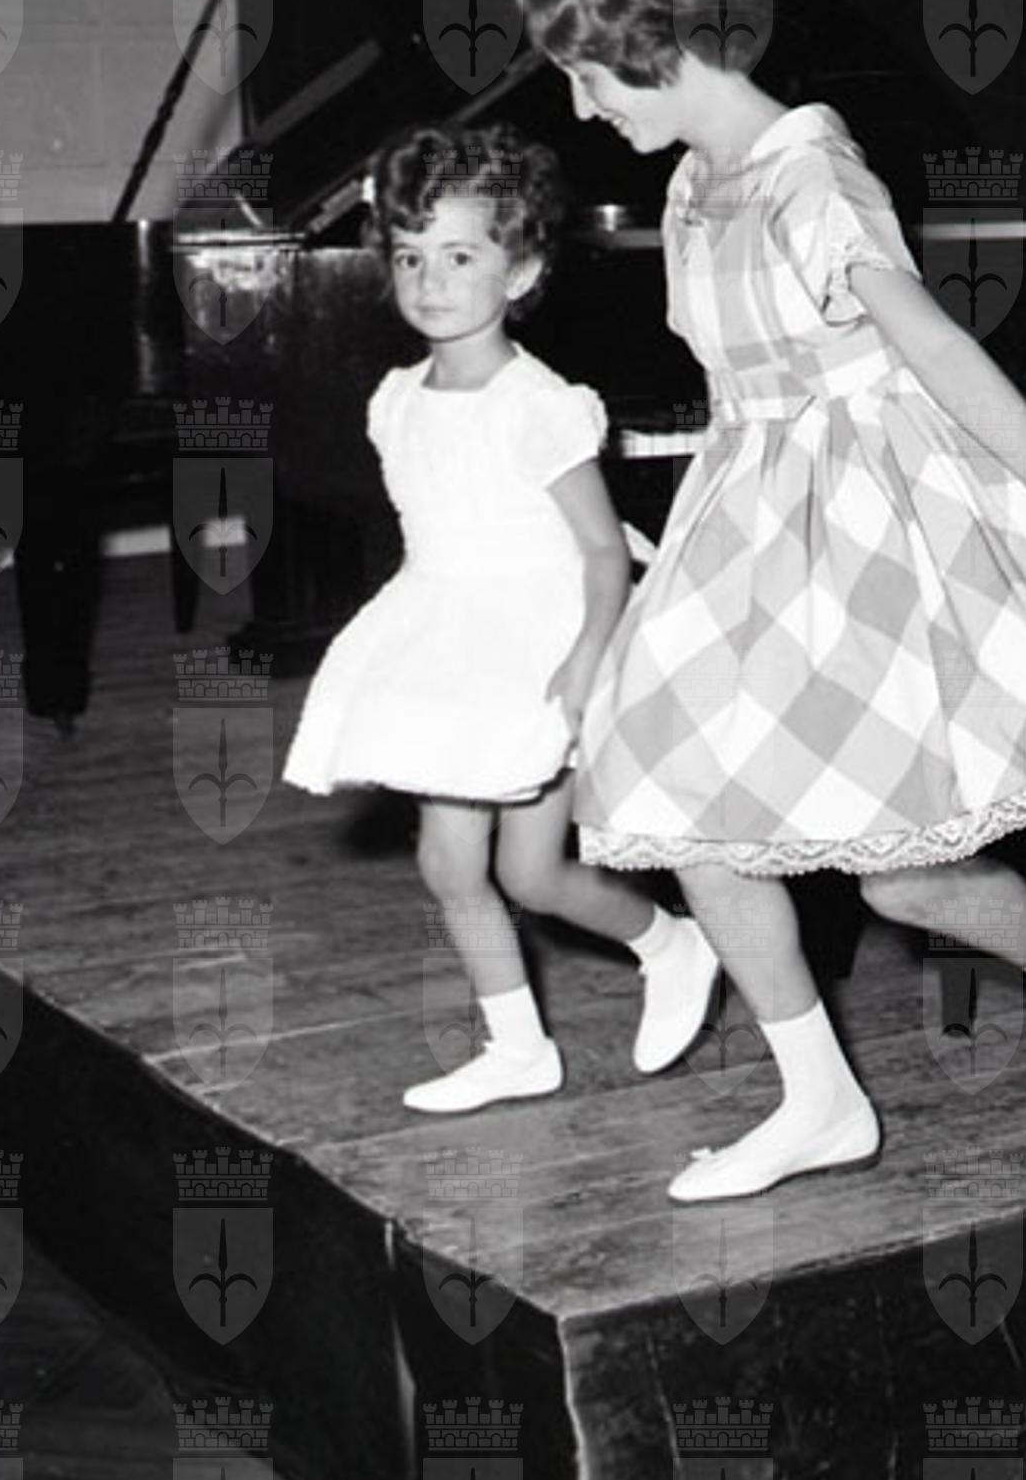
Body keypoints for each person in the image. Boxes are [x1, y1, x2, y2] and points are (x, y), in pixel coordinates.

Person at [509, 0, 1026, 1202]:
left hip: (868, 531)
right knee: (682, 806)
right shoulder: (691, 182)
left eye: (589, 75)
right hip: (745, 521)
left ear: (663, 43)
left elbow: (936, 348)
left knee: (906, 883)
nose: (581, 109)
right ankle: (818, 1098)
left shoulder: (812, 172)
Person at [281, 123, 720, 1112]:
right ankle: (518, 1046)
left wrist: (585, 659)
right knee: (447, 862)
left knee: (532, 874)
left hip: (540, 639)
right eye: (409, 257)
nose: (429, 280)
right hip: (449, 638)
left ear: (517, 272)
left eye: (459, 256)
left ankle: (670, 941)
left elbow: (602, 550)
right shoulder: (396, 398)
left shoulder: (537, 404)